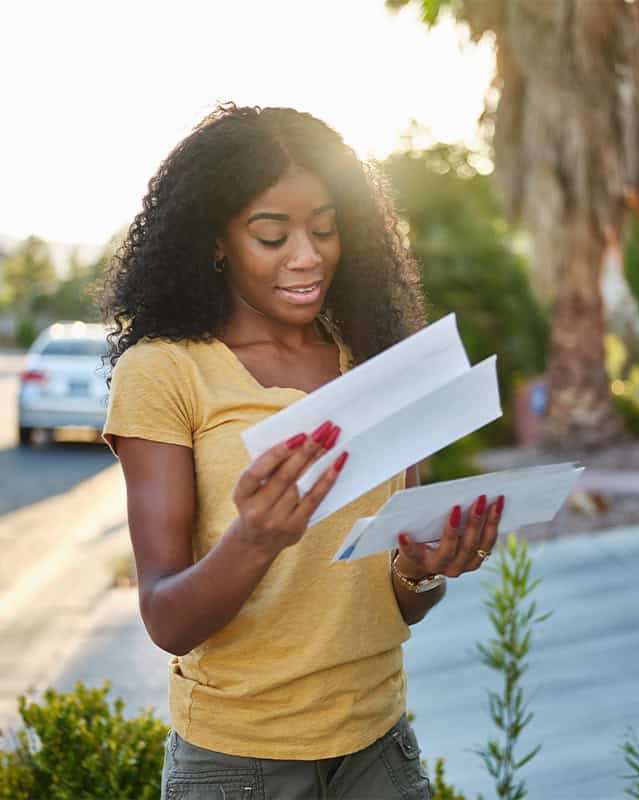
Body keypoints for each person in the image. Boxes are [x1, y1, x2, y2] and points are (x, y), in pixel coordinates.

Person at [100, 103, 504, 800]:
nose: (307, 255)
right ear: (217, 240)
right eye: (271, 234)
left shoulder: (372, 360)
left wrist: (421, 569)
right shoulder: (166, 370)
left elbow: (390, 605)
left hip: (379, 745)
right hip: (239, 761)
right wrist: (255, 539)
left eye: (324, 228)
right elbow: (167, 618)